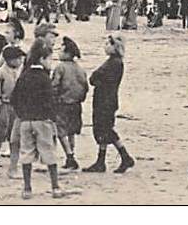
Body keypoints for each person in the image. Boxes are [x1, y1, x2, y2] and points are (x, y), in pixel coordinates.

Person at [10, 41, 65, 199]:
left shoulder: (24, 76)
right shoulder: (44, 78)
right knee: (48, 152)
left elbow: (15, 99)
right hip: (42, 120)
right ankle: (55, 187)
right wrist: (52, 117)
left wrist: (22, 114)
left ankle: (27, 188)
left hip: (26, 121)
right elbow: (50, 101)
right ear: (42, 59)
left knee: (26, 153)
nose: (51, 63)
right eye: (49, 59)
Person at [83, 35, 135, 174]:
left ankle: (124, 156)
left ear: (114, 46)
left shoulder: (113, 63)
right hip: (109, 99)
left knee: (104, 129)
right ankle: (102, 161)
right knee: (104, 129)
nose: (105, 46)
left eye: (108, 44)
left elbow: (95, 78)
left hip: (104, 100)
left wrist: (95, 78)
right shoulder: (116, 62)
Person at [52, 36, 89, 170]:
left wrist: (53, 99)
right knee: (72, 131)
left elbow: (54, 85)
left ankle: (69, 156)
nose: (59, 52)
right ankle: (71, 153)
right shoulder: (80, 69)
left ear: (67, 53)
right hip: (76, 104)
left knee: (60, 131)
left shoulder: (60, 68)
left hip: (62, 104)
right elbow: (85, 87)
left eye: (61, 50)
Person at [0, 45, 25, 170]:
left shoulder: (20, 72)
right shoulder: (0, 72)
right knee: (1, 130)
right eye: (18, 59)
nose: (20, 62)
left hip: (17, 105)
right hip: (4, 104)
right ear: (9, 60)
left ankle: (13, 156)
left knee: (14, 131)